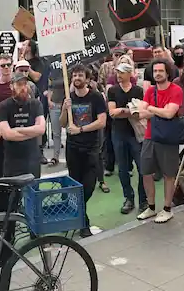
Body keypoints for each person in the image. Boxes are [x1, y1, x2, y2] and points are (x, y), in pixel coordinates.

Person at [60, 65, 107, 237]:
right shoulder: (68, 98)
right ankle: (83, 222)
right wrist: (65, 109)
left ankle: (77, 215)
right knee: (75, 186)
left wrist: (81, 130)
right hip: (73, 149)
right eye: (74, 75)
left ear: (87, 79)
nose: (77, 78)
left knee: (88, 187)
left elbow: (102, 122)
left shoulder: (96, 97)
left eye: (80, 75)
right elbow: (62, 123)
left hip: (91, 149)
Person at [136, 59, 183, 224]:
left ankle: (167, 208)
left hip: (168, 138)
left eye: (160, 71)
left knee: (168, 174)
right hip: (150, 136)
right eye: (155, 71)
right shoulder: (150, 91)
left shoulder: (175, 90)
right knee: (146, 172)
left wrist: (151, 109)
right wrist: (157, 110)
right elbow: (141, 113)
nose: (157, 73)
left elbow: (170, 113)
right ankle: (151, 206)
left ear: (167, 72)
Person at [107, 61, 146, 214]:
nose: (119, 75)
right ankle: (128, 198)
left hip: (136, 133)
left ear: (130, 74)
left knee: (142, 167)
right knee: (122, 168)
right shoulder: (113, 91)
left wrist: (121, 110)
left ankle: (143, 200)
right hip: (118, 132)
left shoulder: (138, 90)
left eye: (122, 72)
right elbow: (112, 112)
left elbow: (140, 111)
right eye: (117, 72)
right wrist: (129, 110)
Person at [0, 71, 46, 178]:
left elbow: (41, 129)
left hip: (32, 159)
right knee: (13, 193)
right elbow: (7, 135)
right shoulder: (3, 106)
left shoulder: (35, 104)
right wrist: (33, 131)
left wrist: (17, 130)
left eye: (25, 84)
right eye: (19, 84)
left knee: (33, 192)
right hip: (12, 161)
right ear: (11, 86)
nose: (23, 87)